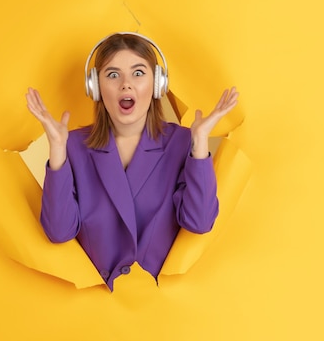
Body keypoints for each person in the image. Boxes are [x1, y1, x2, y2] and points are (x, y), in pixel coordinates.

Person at [25, 33, 238, 291]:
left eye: (138, 73)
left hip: (160, 306)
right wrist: (57, 149)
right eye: (113, 75)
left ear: (158, 83)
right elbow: (59, 232)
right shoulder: (72, 146)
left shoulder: (184, 143)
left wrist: (200, 143)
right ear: (95, 88)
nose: (126, 85)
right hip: (95, 309)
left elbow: (199, 222)